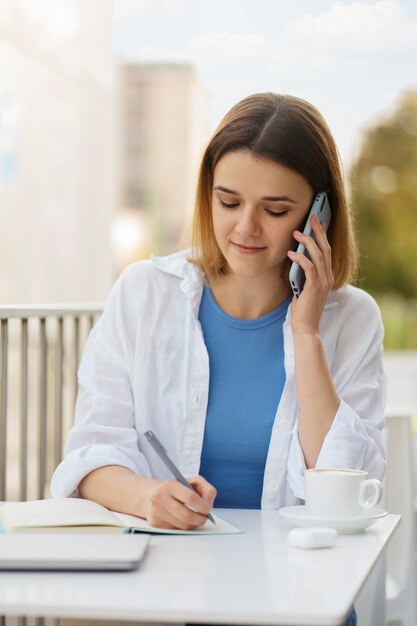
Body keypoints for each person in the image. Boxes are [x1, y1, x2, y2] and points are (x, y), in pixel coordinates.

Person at [51, 93, 385, 625]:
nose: (246, 229)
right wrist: (146, 496)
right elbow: (91, 453)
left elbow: (348, 486)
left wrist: (306, 333)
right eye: (228, 202)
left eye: (276, 211)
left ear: (319, 213)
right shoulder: (144, 294)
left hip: (304, 600)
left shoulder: (351, 319)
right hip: (174, 595)